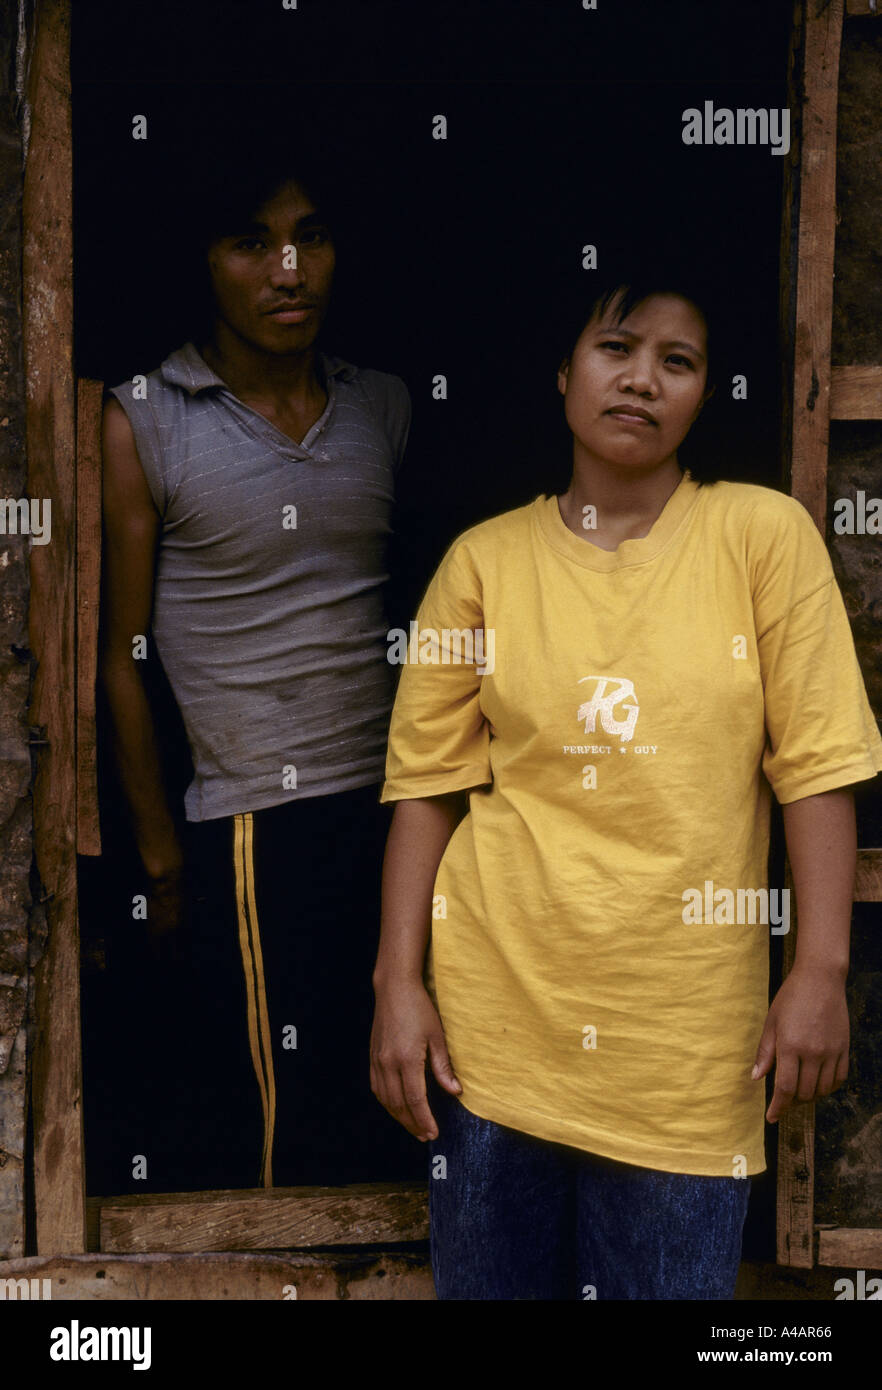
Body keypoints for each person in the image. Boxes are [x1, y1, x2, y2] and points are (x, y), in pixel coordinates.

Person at [369, 268, 882, 1299]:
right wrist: (398, 985)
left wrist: (821, 968)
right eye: (617, 349)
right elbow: (427, 789)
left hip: (687, 1058)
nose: (643, 380)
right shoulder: (485, 562)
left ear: (704, 393)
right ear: (565, 374)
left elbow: (817, 765)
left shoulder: (760, 538)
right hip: (493, 1044)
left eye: (677, 362)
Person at [100, 154, 422, 1191]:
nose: (291, 269)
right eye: (253, 242)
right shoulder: (146, 416)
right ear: (206, 260)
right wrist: (159, 859)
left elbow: (422, 604)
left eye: (313, 237)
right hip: (247, 823)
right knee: (282, 1125)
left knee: (398, 1090)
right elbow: (121, 657)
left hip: (396, 806)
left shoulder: (383, 407)